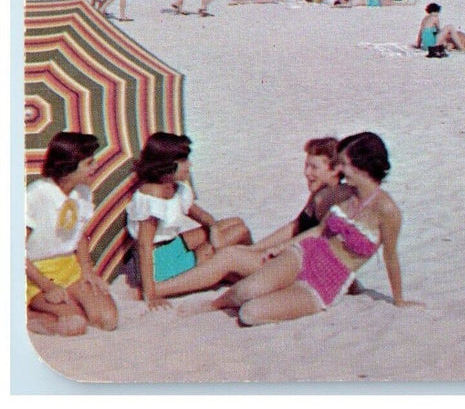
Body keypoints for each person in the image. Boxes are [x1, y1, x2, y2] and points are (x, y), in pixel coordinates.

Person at [192, 133, 422, 325]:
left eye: (344, 163)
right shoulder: (343, 194)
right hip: (305, 254)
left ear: (362, 166)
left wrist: (399, 299)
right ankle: (213, 305)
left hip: (326, 283)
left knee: (250, 314)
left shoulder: (387, 210)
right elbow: (319, 230)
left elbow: (390, 257)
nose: (339, 169)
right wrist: (282, 247)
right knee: (244, 292)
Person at [142, 137, 360, 302]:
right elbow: (295, 227)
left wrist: (268, 251)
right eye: (306, 165)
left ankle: (159, 289)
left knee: (229, 256)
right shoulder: (321, 192)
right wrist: (257, 250)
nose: (306, 172)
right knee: (239, 243)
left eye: (314, 167)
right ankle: (237, 272)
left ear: (335, 169)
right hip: (292, 260)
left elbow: (325, 243)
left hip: (301, 270)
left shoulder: (335, 197)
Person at [126, 133, 252, 310]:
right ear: (167, 164)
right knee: (238, 233)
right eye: (184, 161)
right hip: (160, 262)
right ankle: (247, 267)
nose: (189, 165)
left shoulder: (173, 187)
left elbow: (199, 214)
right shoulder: (153, 195)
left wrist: (213, 228)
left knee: (237, 223)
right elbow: (144, 246)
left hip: (173, 245)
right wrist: (150, 293)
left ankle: (240, 266)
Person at [26, 132, 119, 336]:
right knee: (74, 324)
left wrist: (87, 270)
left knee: (107, 319)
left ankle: (68, 301)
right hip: (35, 274)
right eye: (89, 163)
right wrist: (47, 287)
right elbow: (13, 249)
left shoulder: (82, 193)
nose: (95, 168)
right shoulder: (36, 194)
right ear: (68, 166)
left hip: (69, 268)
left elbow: (80, 236)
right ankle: (29, 314)